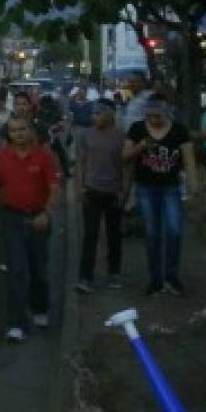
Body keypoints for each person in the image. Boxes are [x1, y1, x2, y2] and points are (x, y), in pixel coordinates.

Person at [0, 116, 61, 342]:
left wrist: (47, 213)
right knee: (17, 270)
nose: (18, 134)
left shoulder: (45, 156)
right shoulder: (2, 157)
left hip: (38, 218)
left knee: (38, 268)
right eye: (13, 131)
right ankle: (16, 322)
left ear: (31, 130)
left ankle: (40, 308)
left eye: (22, 129)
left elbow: (54, 188)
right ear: (8, 134)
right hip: (12, 218)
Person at [124, 98, 199, 296]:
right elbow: (124, 157)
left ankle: (171, 276)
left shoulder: (179, 131)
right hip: (146, 187)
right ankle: (155, 279)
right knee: (152, 234)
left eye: (157, 116)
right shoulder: (137, 129)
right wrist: (139, 147)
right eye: (149, 116)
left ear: (166, 113)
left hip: (171, 187)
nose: (153, 120)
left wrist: (193, 184)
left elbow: (189, 160)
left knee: (174, 232)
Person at [75, 100, 127, 293]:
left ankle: (114, 273)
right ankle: (85, 277)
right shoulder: (85, 135)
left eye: (99, 113)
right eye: (93, 114)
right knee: (90, 235)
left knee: (114, 235)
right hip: (91, 189)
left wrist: (124, 190)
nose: (95, 117)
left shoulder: (120, 137)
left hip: (113, 191)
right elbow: (80, 162)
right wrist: (79, 187)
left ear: (110, 115)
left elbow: (125, 165)